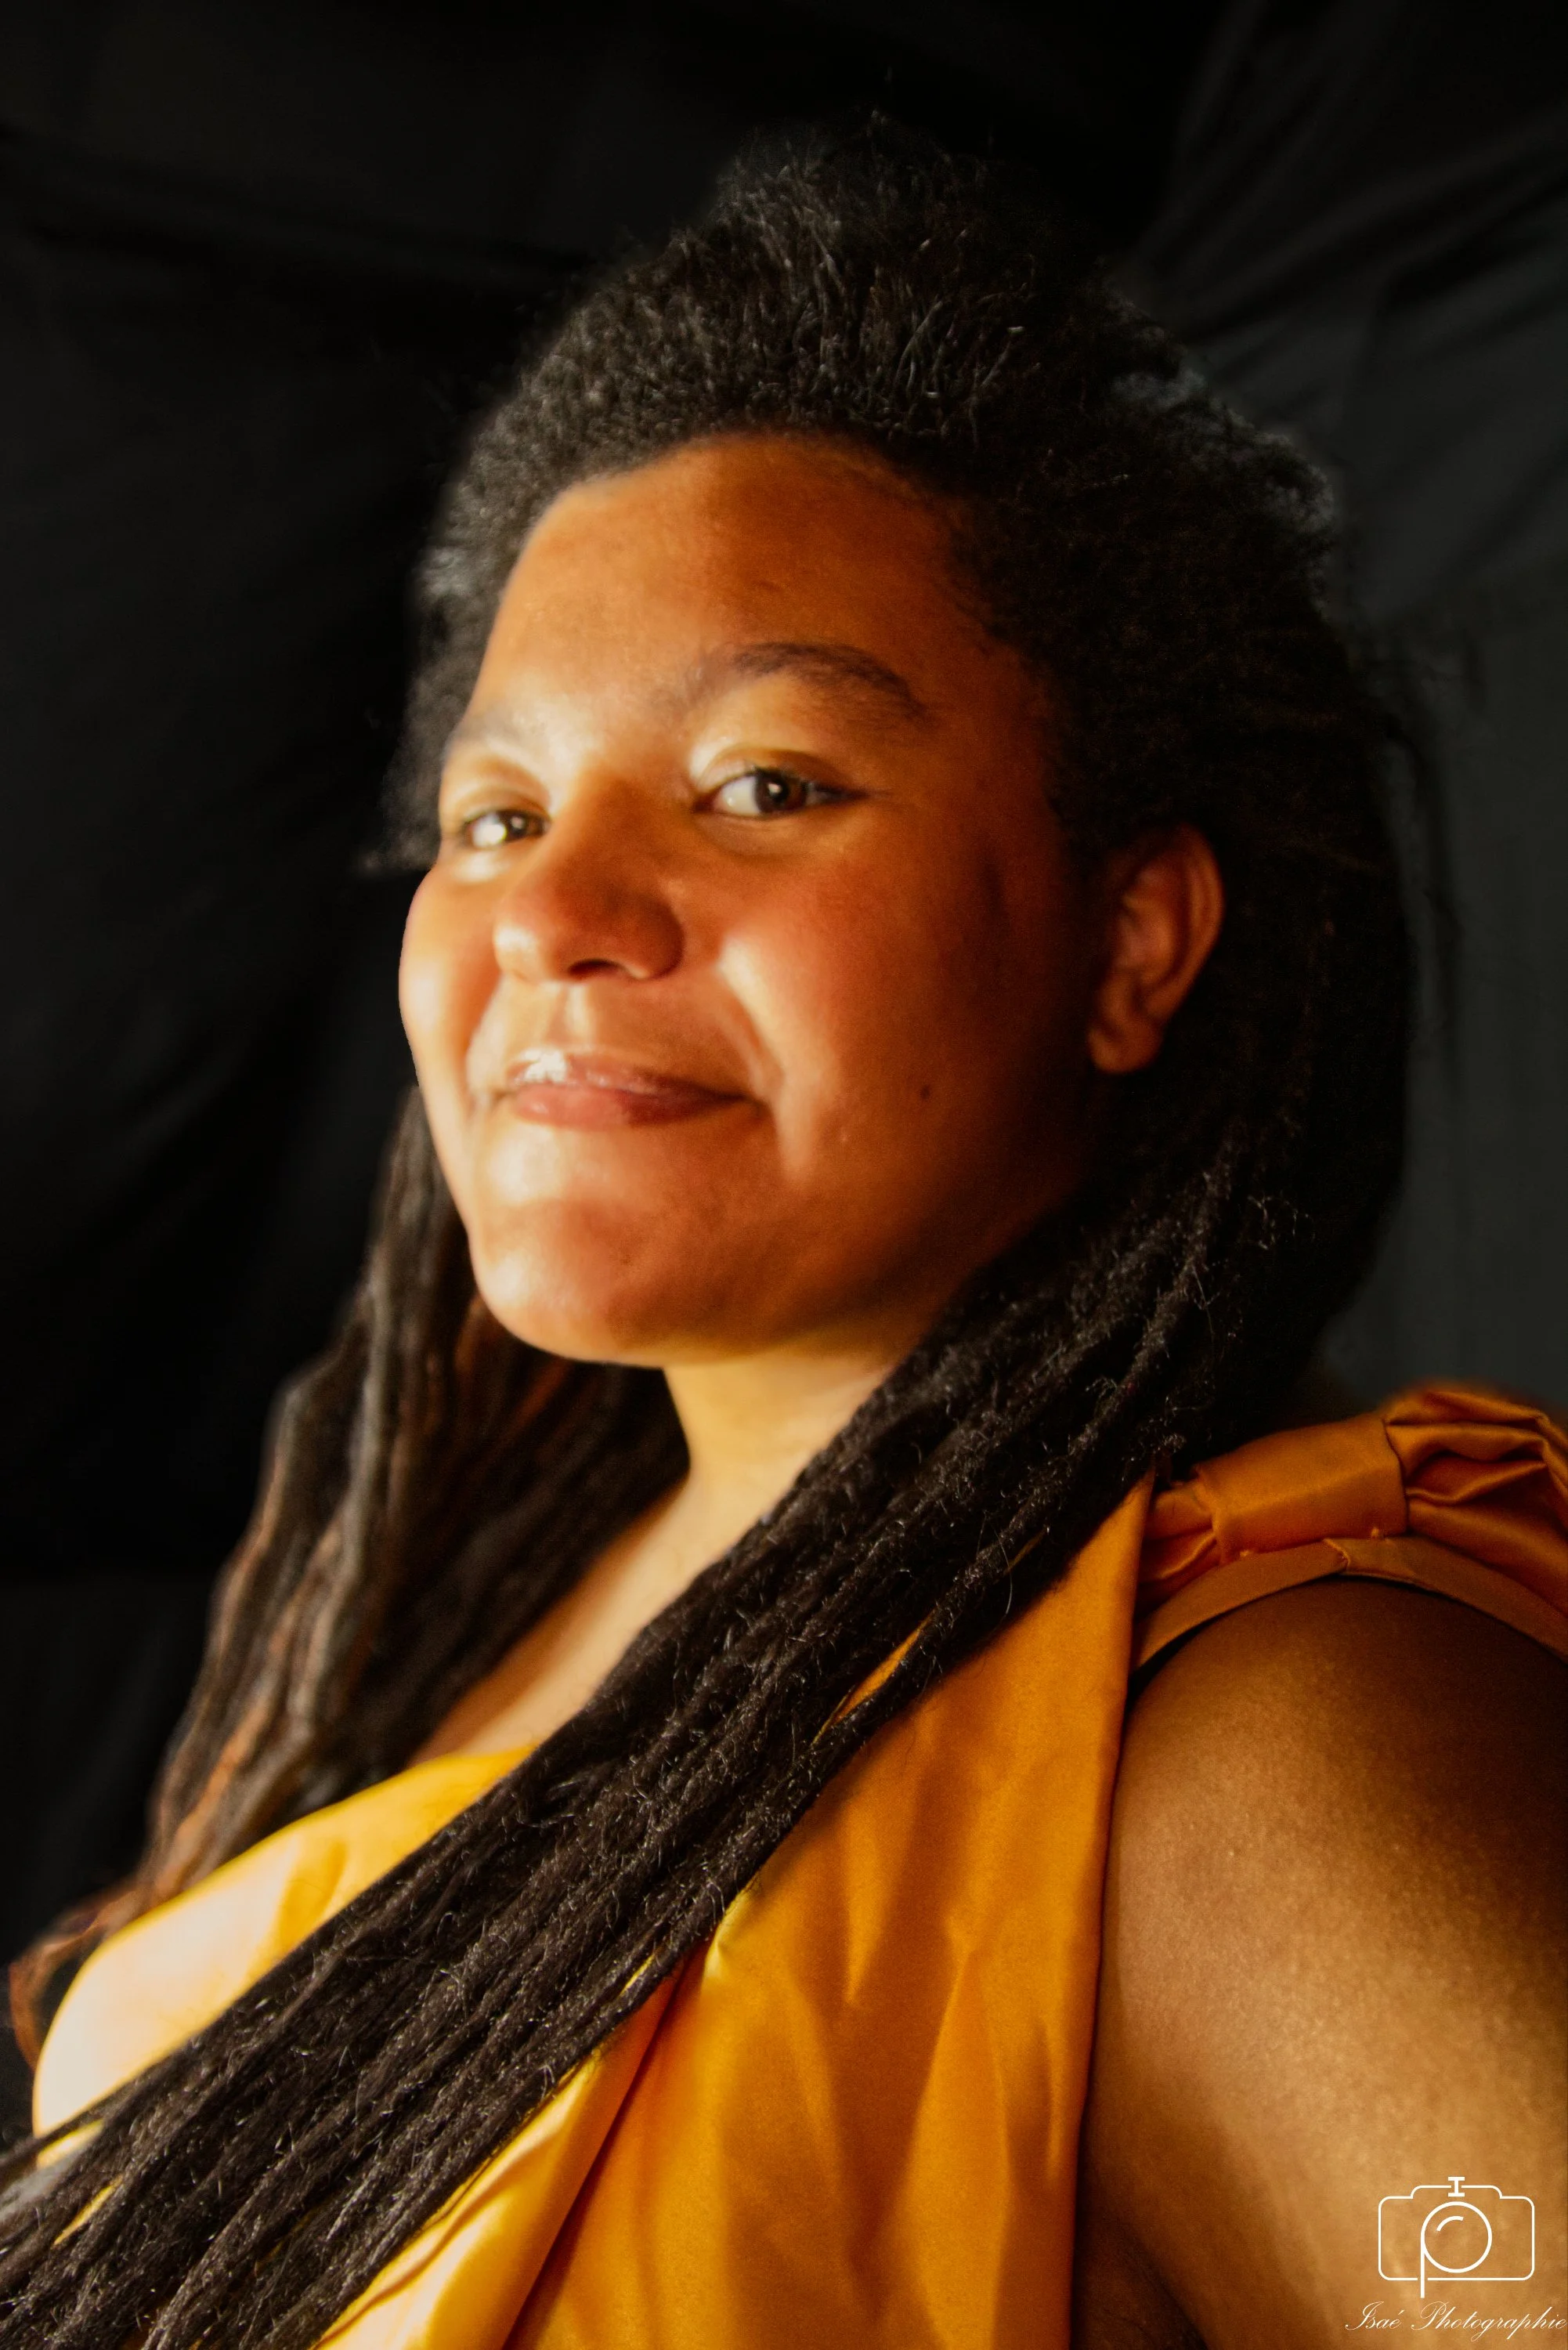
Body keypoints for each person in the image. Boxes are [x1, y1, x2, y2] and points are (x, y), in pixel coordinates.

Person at [2, 133, 1562, 2349]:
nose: (553, 911)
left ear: (1133, 943)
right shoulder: (450, 1633)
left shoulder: (1269, 1742)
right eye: (496, 813)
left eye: (765, 785)